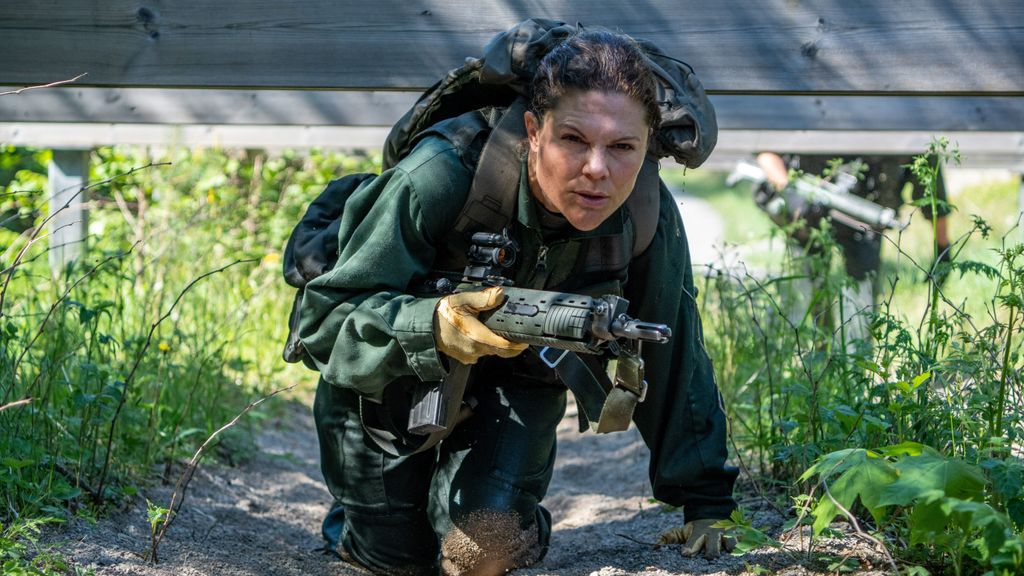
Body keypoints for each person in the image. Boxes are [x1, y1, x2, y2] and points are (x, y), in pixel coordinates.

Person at [298, 29, 738, 575]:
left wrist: (708, 503)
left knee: (482, 551)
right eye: (573, 140)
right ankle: (367, 518)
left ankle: (495, 509)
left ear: (647, 145)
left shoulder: (643, 212)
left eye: (623, 147)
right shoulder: (438, 175)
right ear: (534, 130)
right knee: (394, 560)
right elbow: (322, 321)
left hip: (519, 382)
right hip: (385, 382)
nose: (598, 170)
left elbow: (672, 348)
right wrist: (430, 325)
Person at [754, 152, 951, 342]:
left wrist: (943, 249)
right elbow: (766, 146)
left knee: (862, 309)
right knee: (809, 293)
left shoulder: (903, 124)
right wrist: (789, 191)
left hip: (865, 220)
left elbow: (931, 181)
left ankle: (859, 364)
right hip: (809, 215)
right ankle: (819, 358)